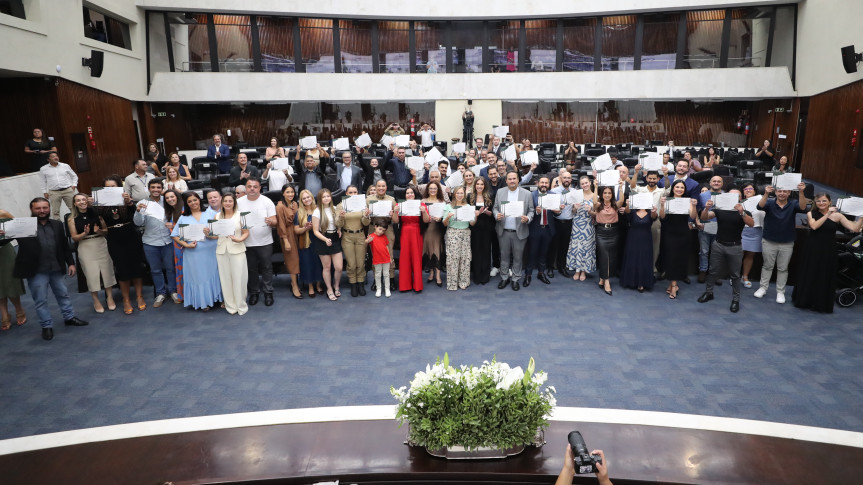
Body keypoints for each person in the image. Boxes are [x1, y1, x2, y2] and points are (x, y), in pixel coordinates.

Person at [11, 198, 88, 340]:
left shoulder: (58, 224)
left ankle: (69, 318)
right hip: (36, 271)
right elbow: (6, 238)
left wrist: (70, 263)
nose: (42, 211)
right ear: (32, 210)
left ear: (49, 208)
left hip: (56, 267)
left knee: (63, 294)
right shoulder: (23, 226)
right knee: (41, 300)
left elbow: (65, 246)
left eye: (45, 208)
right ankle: (46, 326)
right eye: (38, 208)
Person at [792, 194, 863, 313]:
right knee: (810, 272)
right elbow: (814, 226)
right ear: (815, 202)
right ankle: (805, 301)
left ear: (830, 202)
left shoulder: (838, 216)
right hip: (813, 248)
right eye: (818, 201)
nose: (821, 203)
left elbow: (854, 228)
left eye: (824, 201)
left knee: (824, 274)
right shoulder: (811, 213)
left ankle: (820, 303)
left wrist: (861, 216)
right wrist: (828, 214)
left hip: (828, 249)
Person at [697, 190, 754, 312]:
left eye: (737, 195)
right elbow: (704, 218)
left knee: (735, 275)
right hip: (718, 245)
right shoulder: (720, 209)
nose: (733, 197)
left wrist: (742, 212)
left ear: (740, 198)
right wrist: (706, 208)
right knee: (712, 271)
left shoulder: (744, 211)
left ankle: (735, 299)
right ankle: (709, 292)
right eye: (731, 195)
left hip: (735, 247)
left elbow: (751, 224)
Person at [755, 182, 808, 303]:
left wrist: (801, 192)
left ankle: (780, 292)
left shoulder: (793, 203)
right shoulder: (769, 202)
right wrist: (766, 194)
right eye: (780, 191)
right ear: (776, 192)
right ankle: (763, 288)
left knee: (783, 268)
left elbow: (803, 208)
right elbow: (760, 206)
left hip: (787, 242)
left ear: (789, 193)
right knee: (767, 266)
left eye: (785, 191)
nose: (782, 193)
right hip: (769, 240)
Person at [170, 191, 221, 311]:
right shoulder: (183, 217)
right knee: (198, 277)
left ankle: (216, 298)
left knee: (213, 275)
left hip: (211, 252)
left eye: (195, 200)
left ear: (199, 200)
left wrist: (211, 235)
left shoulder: (211, 213)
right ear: (186, 204)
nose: (193, 203)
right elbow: (175, 235)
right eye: (190, 201)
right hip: (193, 254)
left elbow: (220, 232)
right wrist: (186, 245)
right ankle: (203, 302)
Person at [134, 179, 180, 307]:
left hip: (168, 240)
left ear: (162, 188)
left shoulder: (167, 201)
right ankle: (160, 293)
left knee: (171, 268)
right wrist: (137, 211)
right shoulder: (142, 203)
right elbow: (138, 223)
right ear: (149, 189)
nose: (156, 190)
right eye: (153, 187)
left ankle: (173, 291)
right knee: (155, 270)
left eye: (158, 187)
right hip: (150, 242)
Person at [68, 193, 117, 313]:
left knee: (107, 270)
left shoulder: (96, 214)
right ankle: (96, 300)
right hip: (85, 246)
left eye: (83, 199)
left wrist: (99, 230)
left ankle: (110, 297)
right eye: (78, 200)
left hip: (100, 243)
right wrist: (84, 233)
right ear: (74, 203)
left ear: (88, 201)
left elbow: (106, 231)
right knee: (91, 274)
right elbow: (74, 238)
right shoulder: (72, 219)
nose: (81, 202)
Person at [237, 177, 277, 306]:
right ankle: (254, 292)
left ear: (260, 188)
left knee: (267, 268)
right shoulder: (239, 202)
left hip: (265, 242)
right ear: (246, 188)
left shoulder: (267, 201)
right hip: (246, 242)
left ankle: (268, 292)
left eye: (255, 186)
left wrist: (271, 222)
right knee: (251, 269)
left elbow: (275, 221)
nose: (252, 189)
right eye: (249, 186)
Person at [492, 171, 534, 291]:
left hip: (520, 231)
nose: (512, 181)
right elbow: (495, 208)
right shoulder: (500, 192)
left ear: (518, 180)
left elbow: (531, 210)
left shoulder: (527, 194)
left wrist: (528, 218)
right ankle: (504, 278)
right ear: (506, 181)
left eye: (514, 179)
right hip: (503, 230)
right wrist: (496, 215)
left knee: (518, 257)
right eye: (509, 179)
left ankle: (515, 279)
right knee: (504, 257)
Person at [659, 180, 698, 300]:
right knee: (670, 258)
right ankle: (674, 285)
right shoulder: (667, 199)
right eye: (677, 187)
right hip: (669, 233)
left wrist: (694, 206)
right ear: (673, 188)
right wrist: (662, 205)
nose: (679, 189)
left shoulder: (688, 201)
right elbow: (662, 217)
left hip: (683, 233)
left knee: (678, 259)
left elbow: (692, 216)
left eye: (682, 187)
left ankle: (673, 285)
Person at [213, 193, 249, 315]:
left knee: (239, 278)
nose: (227, 203)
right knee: (225, 279)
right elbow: (214, 236)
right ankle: (230, 306)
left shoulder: (241, 215)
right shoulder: (217, 216)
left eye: (230, 201)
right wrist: (207, 232)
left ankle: (241, 305)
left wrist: (239, 239)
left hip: (237, 249)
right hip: (221, 250)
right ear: (222, 203)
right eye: (225, 201)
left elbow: (246, 232)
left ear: (234, 203)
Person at [630, 166, 668, 275]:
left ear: (657, 179)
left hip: (655, 221)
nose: (652, 180)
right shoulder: (641, 189)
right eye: (650, 178)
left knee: (655, 246)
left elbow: (668, 189)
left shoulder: (661, 191)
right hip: (640, 221)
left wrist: (665, 175)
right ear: (646, 178)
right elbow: (632, 187)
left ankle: (652, 268)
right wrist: (636, 172)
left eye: (654, 179)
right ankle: (639, 267)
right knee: (640, 246)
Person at [590, 183, 624, 296]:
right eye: (605, 193)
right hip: (601, 233)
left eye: (609, 193)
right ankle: (607, 281)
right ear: (602, 194)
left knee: (611, 257)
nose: (607, 195)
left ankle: (602, 278)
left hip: (614, 232)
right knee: (604, 256)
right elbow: (594, 201)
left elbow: (622, 199)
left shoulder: (615, 205)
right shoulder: (598, 205)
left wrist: (620, 187)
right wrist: (595, 187)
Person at [524, 176, 560, 286]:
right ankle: (528, 275)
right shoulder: (531, 195)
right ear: (537, 183)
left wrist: (557, 211)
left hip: (548, 229)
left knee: (544, 253)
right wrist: (536, 211)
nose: (544, 184)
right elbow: (527, 211)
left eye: (546, 183)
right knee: (532, 253)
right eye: (542, 182)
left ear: (548, 184)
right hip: (535, 229)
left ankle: (541, 273)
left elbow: (557, 213)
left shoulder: (553, 196)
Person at [335, 185, 369, 297]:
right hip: (347, 236)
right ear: (346, 193)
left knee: (360, 262)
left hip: (360, 235)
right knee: (351, 263)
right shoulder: (341, 206)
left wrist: (366, 216)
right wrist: (341, 217)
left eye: (355, 192)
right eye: (350, 192)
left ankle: (360, 283)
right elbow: (338, 224)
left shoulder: (362, 205)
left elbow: (366, 223)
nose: (353, 194)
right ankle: (353, 284)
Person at [620, 194, 658, 292]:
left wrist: (654, 211)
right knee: (632, 258)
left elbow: (654, 217)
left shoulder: (651, 212)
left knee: (644, 259)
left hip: (646, 239)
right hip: (633, 238)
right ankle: (630, 281)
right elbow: (627, 213)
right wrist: (628, 204)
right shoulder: (632, 211)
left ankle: (642, 283)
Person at [312, 188, 344, 301]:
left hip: (335, 238)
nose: (326, 198)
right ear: (320, 199)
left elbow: (338, 222)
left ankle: (336, 286)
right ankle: (329, 289)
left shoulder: (335, 209)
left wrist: (339, 229)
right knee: (327, 267)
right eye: (324, 197)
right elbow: (315, 231)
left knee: (339, 267)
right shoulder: (317, 211)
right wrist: (325, 239)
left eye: (328, 196)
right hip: (323, 239)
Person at [442, 186, 476, 290]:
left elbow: (472, 223)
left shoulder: (468, 207)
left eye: (462, 193)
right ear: (454, 194)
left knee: (465, 258)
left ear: (464, 195)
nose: (460, 195)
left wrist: (475, 215)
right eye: (458, 193)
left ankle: (463, 282)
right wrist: (448, 216)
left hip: (465, 233)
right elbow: (444, 223)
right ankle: (452, 283)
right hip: (453, 232)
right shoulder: (448, 206)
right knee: (453, 258)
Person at [367, 179, 398, 285]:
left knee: (389, 254)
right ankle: (377, 280)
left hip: (387, 228)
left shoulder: (391, 200)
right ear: (375, 187)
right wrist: (367, 214)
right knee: (375, 255)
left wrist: (392, 214)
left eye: (383, 186)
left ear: (386, 187)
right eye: (379, 186)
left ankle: (391, 278)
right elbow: (364, 220)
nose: (381, 188)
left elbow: (396, 220)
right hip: (373, 228)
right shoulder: (368, 200)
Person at [0, 209, 27, 330]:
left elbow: (19, 227)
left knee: (10, 281)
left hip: (4, 251)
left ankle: (19, 309)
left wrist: (6, 232)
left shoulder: (3, 213)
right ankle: (5, 314)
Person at [294, 189, 324, 297]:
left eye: (308, 197)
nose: (307, 199)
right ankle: (311, 286)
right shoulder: (299, 213)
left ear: (312, 197)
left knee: (319, 263)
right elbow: (296, 230)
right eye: (304, 198)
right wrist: (305, 228)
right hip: (306, 241)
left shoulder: (319, 210)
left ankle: (319, 285)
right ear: (301, 201)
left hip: (319, 240)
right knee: (308, 263)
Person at [696, 175, 726, 283]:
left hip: (720, 228)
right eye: (714, 181)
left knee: (717, 252)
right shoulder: (702, 195)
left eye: (719, 181)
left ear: (722, 184)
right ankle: (703, 271)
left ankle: (714, 273)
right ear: (710, 183)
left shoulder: (726, 196)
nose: (716, 183)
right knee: (704, 251)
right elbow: (696, 210)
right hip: (704, 227)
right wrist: (697, 221)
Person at [275, 185, 303, 299]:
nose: (290, 194)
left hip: (297, 232)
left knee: (299, 258)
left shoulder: (295, 204)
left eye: (292, 192)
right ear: (283, 193)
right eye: (287, 192)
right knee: (292, 259)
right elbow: (280, 224)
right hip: (287, 234)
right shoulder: (280, 206)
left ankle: (298, 281)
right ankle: (294, 285)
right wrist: (286, 240)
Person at [567, 175, 596, 282]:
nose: (585, 185)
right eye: (582, 183)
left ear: (590, 183)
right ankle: (577, 270)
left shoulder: (595, 196)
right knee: (577, 247)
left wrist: (590, 211)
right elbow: (573, 211)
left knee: (586, 248)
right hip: (577, 224)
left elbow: (597, 215)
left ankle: (584, 271)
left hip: (588, 225)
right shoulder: (577, 195)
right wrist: (575, 207)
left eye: (586, 183)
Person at [395, 185, 423, 292]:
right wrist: (395, 211)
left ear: (415, 195)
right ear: (405, 195)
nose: (410, 195)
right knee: (405, 258)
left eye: (412, 193)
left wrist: (423, 211)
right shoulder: (399, 205)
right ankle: (405, 285)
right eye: (407, 193)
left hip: (417, 231)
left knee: (416, 257)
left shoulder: (420, 204)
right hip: (405, 231)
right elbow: (396, 221)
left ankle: (417, 285)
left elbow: (426, 220)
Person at [548, 169, 575, 277]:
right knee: (553, 246)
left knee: (564, 247)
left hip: (568, 223)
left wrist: (575, 208)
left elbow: (574, 211)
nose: (567, 179)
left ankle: (562, 267)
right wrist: (557, 208)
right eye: (565, 177)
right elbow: (550, 208)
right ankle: (550, 268)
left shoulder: (574, 192)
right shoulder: (554, 192)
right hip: (556, 222)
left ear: (571, 179)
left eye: (568, 178)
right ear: (560, 179)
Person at [469, 177, 495, 285]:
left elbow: (494, 212)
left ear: (485, 186)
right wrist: (475, 214)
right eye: (478, 184)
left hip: (487, 228)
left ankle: (485, 276)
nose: (479, 186)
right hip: (474, 227)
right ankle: (477, 276)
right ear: (475, 185)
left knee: (486, 251)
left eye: (481, 184)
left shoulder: (489, 197)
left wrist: (489, 213)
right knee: (476, 251)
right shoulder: (469, 197)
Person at [39, 152, 78, 220]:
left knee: (73, 208)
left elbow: (74, 176)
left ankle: (76, 223)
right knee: (55, 211)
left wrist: (74, 185)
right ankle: (58, 227)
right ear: (48, 159)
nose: (56, 157)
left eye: (56, 156)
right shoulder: (43, 169)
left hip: (67, 190)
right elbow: (43, 181)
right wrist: (44, 192)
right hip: (54, 192)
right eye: (53, 156)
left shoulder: (65, 166)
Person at [740, 183, 764, 288]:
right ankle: (735, 276)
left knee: (750, 255)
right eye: (745, 189)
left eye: (750, 188)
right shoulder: (740, 202)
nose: (748, 190)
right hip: (742, 230)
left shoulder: (761, 200)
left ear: (755, 191)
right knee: (738, 255)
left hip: (756, 230)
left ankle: (745, 277)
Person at [163, 189, 185, 306]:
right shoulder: (171, 211)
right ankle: (182, 294)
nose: (170, 199)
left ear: (177, 196)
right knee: (179, 268)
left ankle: (189, 294)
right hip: (176, 244)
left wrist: (173, 225)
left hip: (185, 244)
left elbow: (189, 226)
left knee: (186, 269)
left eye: (172, 197)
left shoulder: (183, 209)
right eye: (167, 198)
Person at [422, 181, 446, 286]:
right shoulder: (423, 201)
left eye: (434, 188)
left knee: (437, 250)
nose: (432, 190)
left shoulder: (442, 201)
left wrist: (440, 218)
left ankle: (438, 275)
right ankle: (431, 273)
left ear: (438, 190)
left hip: (437, 229)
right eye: (430, 188)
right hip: (427, 229)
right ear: (427, 190)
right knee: (429, 250)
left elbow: (445, 217)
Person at [365, 221, 392, 297]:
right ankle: (378, 289)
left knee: (386, 274)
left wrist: (390, 257)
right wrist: (367, 241)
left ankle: (387, 289)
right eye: (380, 229)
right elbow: (366, 242)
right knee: (378, 275)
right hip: (377, 259)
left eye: (383, 231)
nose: (381, 232)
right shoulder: (371, 236)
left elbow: (387, 247)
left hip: (386, 259)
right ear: (375, 227)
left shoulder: (384, 237)